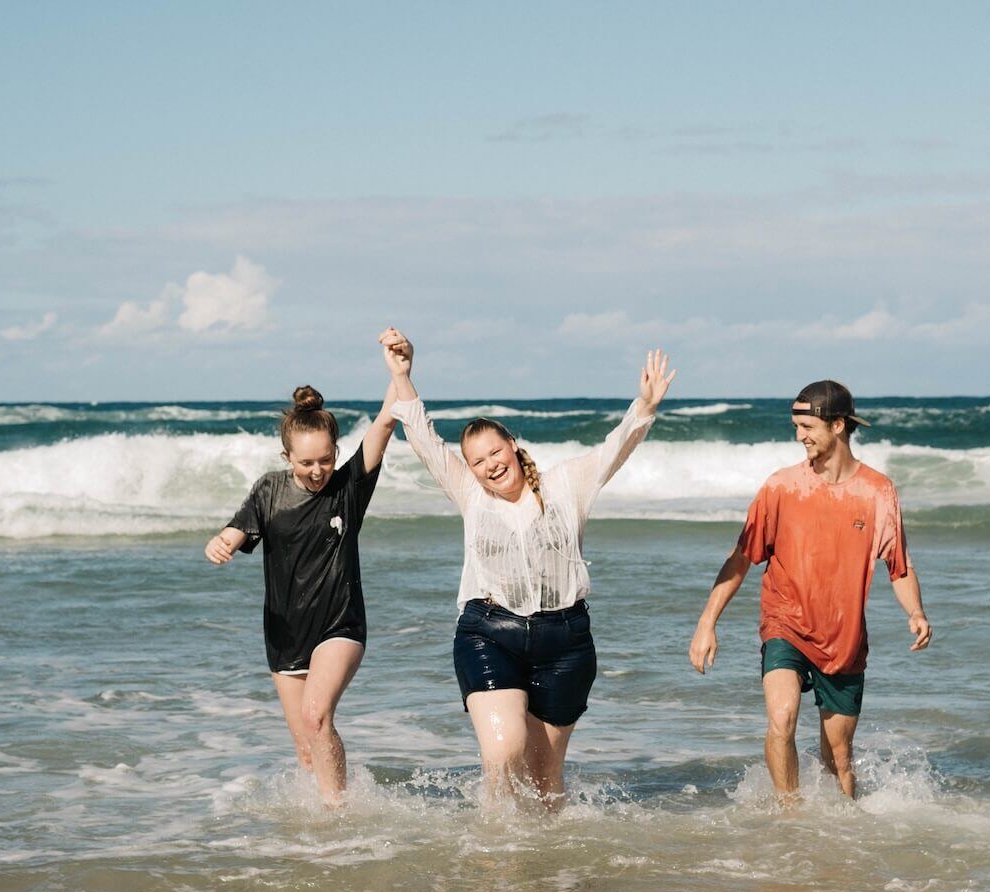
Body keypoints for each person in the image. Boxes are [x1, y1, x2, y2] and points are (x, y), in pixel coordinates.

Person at [381, 329, 674, 809]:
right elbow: (425, 440)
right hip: (488, 632)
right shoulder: (470, 495)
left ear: (513, 445)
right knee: (503, 752)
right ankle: (497, 860)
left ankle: (546, 871)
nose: (489, 466)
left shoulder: (567, 485)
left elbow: (614, 448)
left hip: (566, 643)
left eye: (495, 452)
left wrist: (643, 406)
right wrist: (402, 375)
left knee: (544, 779)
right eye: (477, 461)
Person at [687, 380, 932, 802]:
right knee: (781, 721)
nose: (799, 435)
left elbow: (899, 565)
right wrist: (707, 623)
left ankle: (841, 834)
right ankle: (791, 819)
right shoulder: (781, 487)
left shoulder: (877, 492)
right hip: (785, 623)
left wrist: (916, 613)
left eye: (807, 426)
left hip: (844, 637)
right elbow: (740, 558)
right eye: (795, 425)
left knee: (838, 754)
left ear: (838, 425)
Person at [203, 333, 404, 805]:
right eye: (306, 462)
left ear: (336, 450)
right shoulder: (269, 491)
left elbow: (384, 425)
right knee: (307, 749)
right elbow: (237, 531)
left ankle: (338, 819)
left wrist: (400, 372)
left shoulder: (348, 486)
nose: (318, 470)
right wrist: (222, 543)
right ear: (287, 457)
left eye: (326, 459)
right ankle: (327, 817)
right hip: (285, 634)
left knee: (317, 717)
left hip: (340, 625)